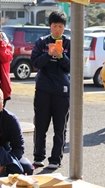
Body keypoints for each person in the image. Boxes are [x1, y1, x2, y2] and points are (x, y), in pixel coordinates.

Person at [30, 10, 70, 169]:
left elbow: (71, 67)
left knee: (60, 127)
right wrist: (48, 54)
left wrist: (61, 56)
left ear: (64, 27)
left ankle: (55, 159)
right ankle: (38, 157)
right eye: (55, 26)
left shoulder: (68, 43)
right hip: (43, 89)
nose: (57, 30)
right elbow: (35, 63)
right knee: (40, 125)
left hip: (62, 90)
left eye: (60, 26)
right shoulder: (41, 42)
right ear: (50, 26)